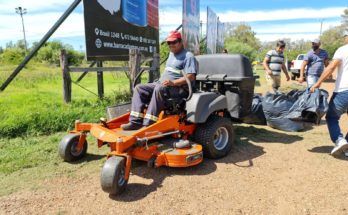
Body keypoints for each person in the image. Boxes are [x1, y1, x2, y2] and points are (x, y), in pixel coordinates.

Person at [121, 31, 198, 130]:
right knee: (139, 88)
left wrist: (173, 82)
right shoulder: (171, 54)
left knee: (159, 88)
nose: (171, 45)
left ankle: (148, 124)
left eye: (173, 42)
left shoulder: (188, 56)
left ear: (180, 42)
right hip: (162, 84)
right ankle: (135, 122)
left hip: (179, 88)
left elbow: (191, 76)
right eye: (169, 43)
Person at [310, 29, 348, 157]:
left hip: (344, 91)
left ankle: (339, 140)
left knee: (331, 117)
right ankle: (346, 145)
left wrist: (318, 83)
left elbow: (331, 67)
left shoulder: (343, 50)